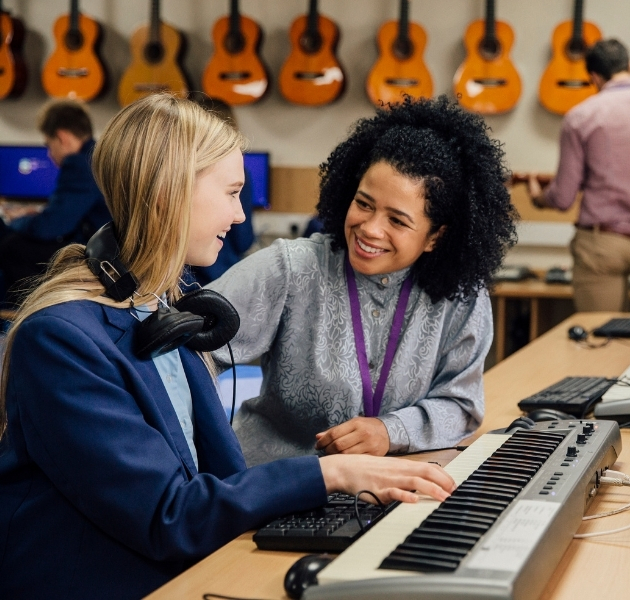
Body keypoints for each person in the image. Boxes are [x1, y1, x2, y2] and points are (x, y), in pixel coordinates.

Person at [0, 94, 454, 599]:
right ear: (168, 194)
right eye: (233, 192)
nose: (240, 216)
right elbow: (167, 514)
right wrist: (332, 473)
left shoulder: (163, 308)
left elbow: (209, 483)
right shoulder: (61, 340)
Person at [208, 95, 518, 466]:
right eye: (364, 204)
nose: (370, 229)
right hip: (278, 488)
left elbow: (461, 404)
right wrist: (205, 449)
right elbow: (184, 351)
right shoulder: (292, 268)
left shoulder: (461, 297)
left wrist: (391, 431)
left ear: (436, 236)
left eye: (397, 221)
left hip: (390, 488)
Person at [521, 39, 630, 312]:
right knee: (622, 333)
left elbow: (562, 198)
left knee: (597, 339)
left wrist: (537, 197)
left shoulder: (581, 116)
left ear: (594, 77)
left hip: (604, 247)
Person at [0, 99, 111, 307]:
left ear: (62, 138)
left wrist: (16, 221)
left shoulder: (80, 164)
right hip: (102, 243)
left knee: (11, 246)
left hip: (95, 252)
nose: (50, 154)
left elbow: (49, 227)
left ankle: (23, 313)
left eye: (49, 145)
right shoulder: (96, 155)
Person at [187, 94, 256, 286]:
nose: (239, 215)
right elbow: (244, 240)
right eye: (232, 193)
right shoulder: (239, 173)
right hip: (220, 279)